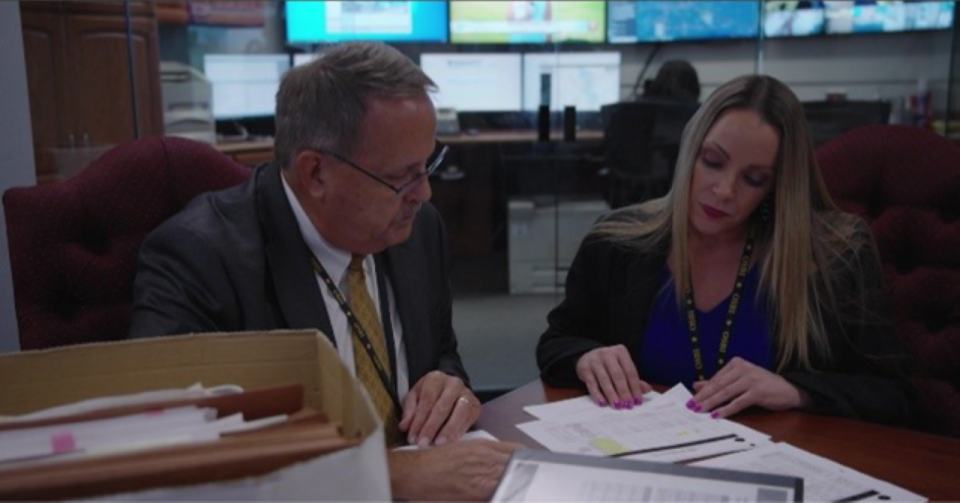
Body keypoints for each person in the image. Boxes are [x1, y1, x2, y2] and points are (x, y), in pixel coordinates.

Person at [130, 42, 519, 502]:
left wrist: (448, 386)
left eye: (428, 165)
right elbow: (170, 451)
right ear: (316, 173)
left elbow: (441, 352)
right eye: (403, 177)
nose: (426, 193)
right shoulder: (199, 258)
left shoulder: (416, 228)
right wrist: (384, 473)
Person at [537, 74, 913, 426]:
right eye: (712, 162)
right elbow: (557, 342)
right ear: (688, 153)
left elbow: (895, 394)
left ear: (777, 187)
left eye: (753, 179)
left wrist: (798, 391)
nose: (724, 190)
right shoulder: (616, 241)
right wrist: (584, 357)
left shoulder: (834, 256)